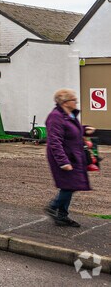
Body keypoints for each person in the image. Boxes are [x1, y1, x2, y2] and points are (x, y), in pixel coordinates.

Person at [45, 88, 96, 227]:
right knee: (69, 185)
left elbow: (73, 130)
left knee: (70, 185)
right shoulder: (55, 117)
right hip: (64, 158)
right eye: (74, 100)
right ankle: (53, 206)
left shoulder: (69, 115)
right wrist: (63, 162)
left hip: (74, 156)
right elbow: (54, 141)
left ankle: (62, 216)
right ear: (65, 102)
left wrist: (85, 129)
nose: (76, 102)